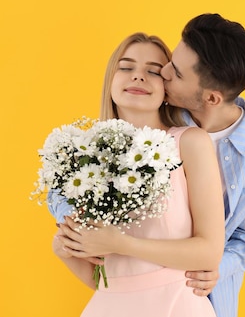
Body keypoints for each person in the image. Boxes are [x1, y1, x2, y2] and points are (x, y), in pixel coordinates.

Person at [50, 13, 245, 317]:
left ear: (211, 98)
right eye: (169, 64)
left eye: (164, 71)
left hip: (196, 294)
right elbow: (113, 277)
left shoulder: (239, 152)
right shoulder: (98, 150)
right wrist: (74, 239)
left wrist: (216, 268)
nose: (163, 74)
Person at [53, 33, 225, 317]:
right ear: (111, 79)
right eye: (126, 67)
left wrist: (122, 244)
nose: (138, 77)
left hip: (176, 306)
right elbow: (106, 279)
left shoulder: (190, 143)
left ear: (167, 87)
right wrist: (64, 250)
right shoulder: (87, 157)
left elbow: (209, 252)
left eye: (153, 71)